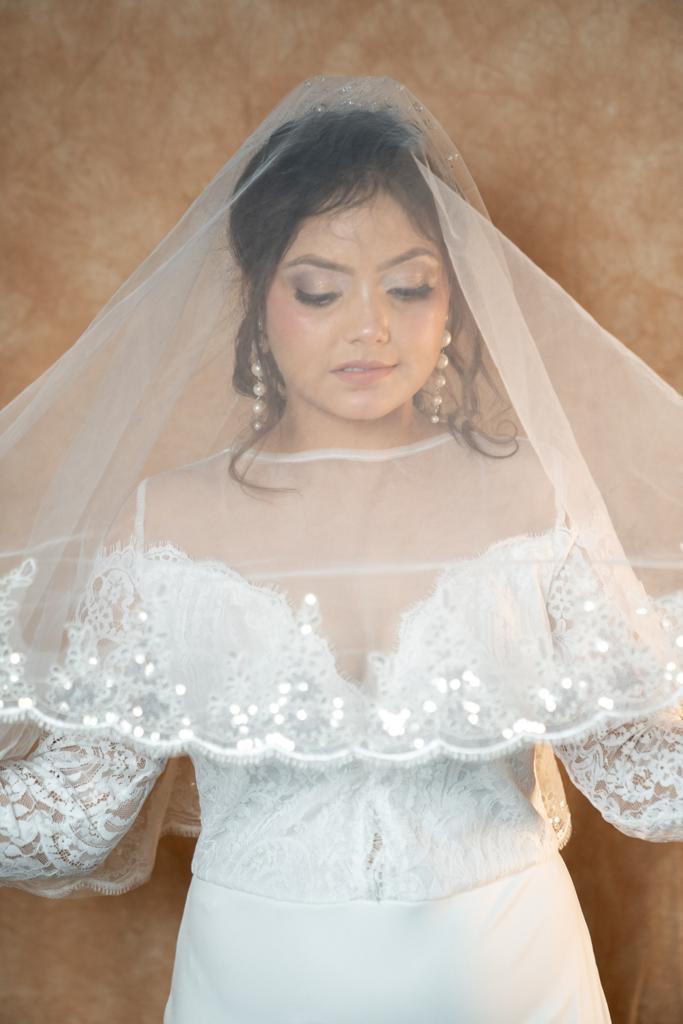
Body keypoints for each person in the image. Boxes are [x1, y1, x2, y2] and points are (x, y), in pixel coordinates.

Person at [0, 74, 681, 1022]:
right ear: (255, 297)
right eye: (320, 290)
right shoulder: (166, 525)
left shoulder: (537, 498)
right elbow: (70, 816)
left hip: (514, 975)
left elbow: (649, 780)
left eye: (409, 286)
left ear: (455, 299)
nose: (371, 327)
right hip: (252, 984)